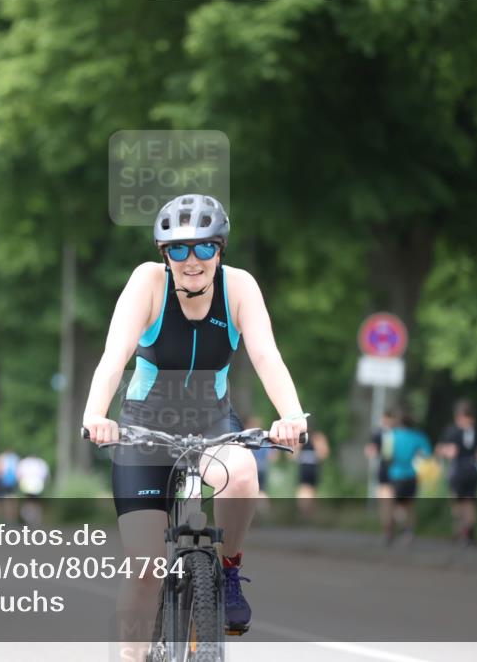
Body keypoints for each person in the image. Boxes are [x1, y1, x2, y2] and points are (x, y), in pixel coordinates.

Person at [81, 194, 307, 653]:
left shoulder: (240, 287)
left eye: (204, 248)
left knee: (242, 472)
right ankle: (133, 652)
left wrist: (291, 415)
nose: (192, 260)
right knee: (145, 566)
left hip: (212, 425)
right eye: (178, 249)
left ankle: (227, 572)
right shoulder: (148, 283)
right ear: (164, 254)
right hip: (146, 427)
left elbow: (267, 356)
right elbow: (114, 355)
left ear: (220, 250)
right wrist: (95, 413)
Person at [437, 399, 477, 545]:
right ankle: (467, 532)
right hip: (474, 471)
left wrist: (445, 453)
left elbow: (445, 451)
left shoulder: (452, 432)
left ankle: (460, 530)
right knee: (470, 503)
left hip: (458, 471)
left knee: (458, 503)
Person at [384, 408, 432, 546]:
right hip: (412, 474)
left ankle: (392, 530)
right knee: (409, 505)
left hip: (396, 474)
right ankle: (409, 532)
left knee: (394, 505)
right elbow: (427, 454)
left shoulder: (391, 436)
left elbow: (387, 456)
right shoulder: (419, 436)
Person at [366, 410, 397, 531]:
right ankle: (393, 519)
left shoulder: (379, 433)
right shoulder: (398, 433)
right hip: (397, 469)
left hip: (384, 468)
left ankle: (387, 525)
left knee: (384, 499)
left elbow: (371, 451)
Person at [296, 429, 330, 515]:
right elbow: (324, 454)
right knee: (310, 491)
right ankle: (308, 512)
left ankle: (304, 512)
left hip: (305, 467)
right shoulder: (318, 438)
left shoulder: (301, 438)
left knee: (304, 490)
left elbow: (293, 454)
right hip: (313, 467)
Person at [16, 454, 50, 526]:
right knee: (33, 502)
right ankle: (32, 519)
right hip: (34, 486)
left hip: (31, 486)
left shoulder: (26, 462)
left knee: (30, 502)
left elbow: (19, 475)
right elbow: (46, 475)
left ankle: (30, 519)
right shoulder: (40, 463)